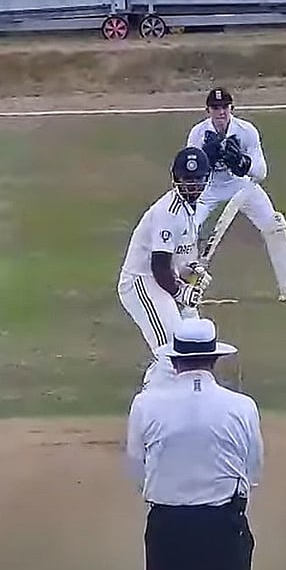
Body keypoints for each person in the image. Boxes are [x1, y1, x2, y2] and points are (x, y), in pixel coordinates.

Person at [125, 317, 264, 570]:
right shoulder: (243, 406)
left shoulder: (145, 405)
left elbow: (137, 470)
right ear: (214, 359)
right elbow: (253, 472)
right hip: (224, 528)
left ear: (174, 362)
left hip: (168, 528)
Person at [185, 86, 286, 303]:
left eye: (225, 107)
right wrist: (206, 159)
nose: (221, 112)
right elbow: (190, 173)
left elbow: (261, 172)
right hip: (208, 190)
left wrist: (242, 163)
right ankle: (183, 288)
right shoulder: (198, 134)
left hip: (242, 187)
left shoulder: (246, 131)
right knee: (187, 229)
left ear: (232, 108)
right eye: (215, 108)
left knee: (274, 223)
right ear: (208, 110)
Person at [118, 146, 214, 388]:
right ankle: (149, 406)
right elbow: (159, 265)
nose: (192, 186)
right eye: (187, 180)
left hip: (164, 281)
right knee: (171, 351)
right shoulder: (168, 213)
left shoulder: (193, 210)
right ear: (176, 179)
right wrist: (181, 291)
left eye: (197, 180)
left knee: (192, 348)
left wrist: (193, 273)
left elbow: (179, 259)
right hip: (142, 282)